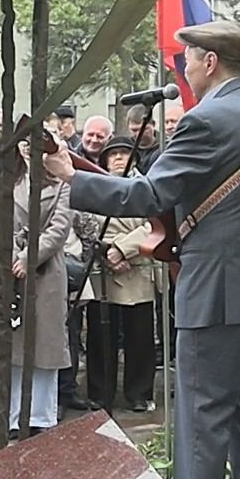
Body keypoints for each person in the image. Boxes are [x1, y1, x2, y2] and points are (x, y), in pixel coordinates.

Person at [45, 18, 240, 479]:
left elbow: (152, 192)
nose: (182, 68)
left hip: (220, 289)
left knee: (203, 412)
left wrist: (70, 176)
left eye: (189, 58)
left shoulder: (207, 120)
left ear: (210, 61)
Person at [79, 137, 162, 414]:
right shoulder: (96, 187)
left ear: (135, 158)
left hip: (139, 266)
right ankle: (100, 394)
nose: (118, 158)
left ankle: (139, 393)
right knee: (101, 336)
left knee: (140, 337)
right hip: (102, 270)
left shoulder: (150, 187)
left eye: (124, 153)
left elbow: (155, 225)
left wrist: (122, 250)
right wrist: (107, 252)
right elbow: (86, 224)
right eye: (112, 154)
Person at [7, 154, 73, 436]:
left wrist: (28, 257)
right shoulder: (9, 180)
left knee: (46, 343)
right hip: (9, 268)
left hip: (46, 271)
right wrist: (12, 257)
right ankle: (15, 416)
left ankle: (41, 416)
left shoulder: (63, 185)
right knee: (14, 343)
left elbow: (59, 229)